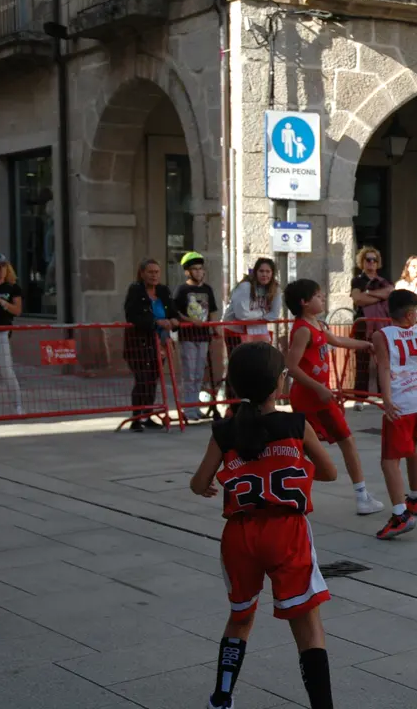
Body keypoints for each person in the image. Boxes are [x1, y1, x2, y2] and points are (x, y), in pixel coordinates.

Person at [189, 341, 338, 709]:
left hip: (240, 535)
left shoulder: (223, 431)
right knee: (306, 622)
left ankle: (222, 698)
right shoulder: (295, 425)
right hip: (286, 532)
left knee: (240, 617)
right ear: (279, 385)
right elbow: (330, 472)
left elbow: (198, 483)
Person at [284, 279, 386, 516]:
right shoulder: (302, 329)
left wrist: (365, 345)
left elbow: (338, 341)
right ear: (304, 302)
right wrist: (317, 388)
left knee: (325, 444)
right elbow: (291, 367)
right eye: (318, 296)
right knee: (331, 443)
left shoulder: (317, 324)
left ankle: (358, 495)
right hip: (310, 398)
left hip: (318, 397)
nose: (323, 298)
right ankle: (360, 496)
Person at [372, 290, 417, 540]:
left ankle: (400, 514)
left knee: (389, 460)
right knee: (412, 446)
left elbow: (383, 366)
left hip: (401, 401)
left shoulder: (381, 336)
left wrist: (386, 398)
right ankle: (414, 496)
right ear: (410, 314)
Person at [122, 258, 177, 431]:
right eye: (150, 272)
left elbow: (172, 310)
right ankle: (136, 418)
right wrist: (156, 322)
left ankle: (148, 414)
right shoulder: (136, 290)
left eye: (156, 272)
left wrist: (174, 319)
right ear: (142, 273)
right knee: (142, 380)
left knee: (153, 380)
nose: (154, 276)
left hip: (159, 344)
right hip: (139, 343)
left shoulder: (163, 291)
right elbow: (132, 315)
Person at [174, 252, 219, 422]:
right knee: (189, 373)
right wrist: (190, 321)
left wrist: (214, 328)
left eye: (201, 269)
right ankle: (189, 408)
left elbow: (213, 310)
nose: (199, 272)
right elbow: (176, 311)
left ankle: (196, 407)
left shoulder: (207, 289)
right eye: (195, 269)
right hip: (188, 336)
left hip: (203, 336)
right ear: (188, 272)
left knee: (199, 373)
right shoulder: (182, 290)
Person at [350, 246, 393, 406]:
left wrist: (368, 293)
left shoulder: (385, 279)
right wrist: (379, 296)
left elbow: (391, 293)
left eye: (374, 260)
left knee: (384, 359)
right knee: (362, 361)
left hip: (383, 324)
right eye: (368, 259)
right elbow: (358, 299)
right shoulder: (357, 280)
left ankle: (385, 395)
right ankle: (359, 398)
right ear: (362, 261)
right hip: (363, 323)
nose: (371, 263)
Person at [222, 258, 281, 355]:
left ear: (272, 273)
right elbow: (242, 315)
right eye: (261, 271)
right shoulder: (246, 286)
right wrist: (263, 312)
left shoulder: (275, 288)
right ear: (255, 272)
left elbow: (274, 315)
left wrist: (254, 315)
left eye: (268, 271)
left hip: (257, 331)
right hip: (235, 331)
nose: (264, 275)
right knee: (239, 364)